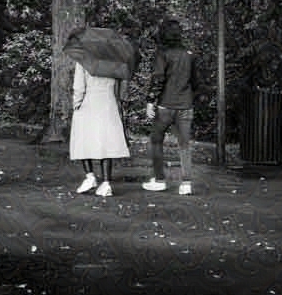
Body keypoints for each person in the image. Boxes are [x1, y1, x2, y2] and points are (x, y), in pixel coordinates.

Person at [143, 18, 205, 195]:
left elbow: (158, 78)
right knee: (184, 144)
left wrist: (150, 101)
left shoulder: (162, 53)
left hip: (165, 105)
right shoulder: (189, 54)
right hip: (185, 105)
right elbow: (196, 82)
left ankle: (159, 179)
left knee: (156, 140)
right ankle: (186, 183)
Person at [69, 59, 131, 197]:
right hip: (108, 102)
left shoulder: (84, 60)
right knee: (106, 142)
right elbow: (120, 85)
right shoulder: (114, 60)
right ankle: (106, 183)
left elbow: (79, 86)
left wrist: (76, 103)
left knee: (84, 139)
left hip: (89, 102)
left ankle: (90, 176)